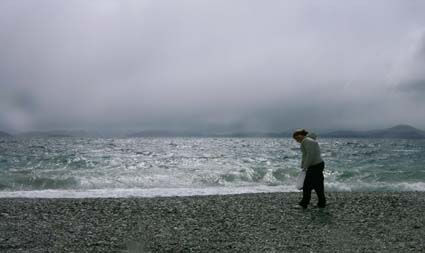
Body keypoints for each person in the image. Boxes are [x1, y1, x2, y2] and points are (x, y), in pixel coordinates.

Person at [293, 129, 326, 209]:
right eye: (296, 139)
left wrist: (305, 166)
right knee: (318, 185)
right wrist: (304, 165)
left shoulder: (307, 141)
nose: (297, 140)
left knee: (307, 185)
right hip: (318, 164)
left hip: (314, 165)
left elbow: (309, 155)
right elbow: (307, 155)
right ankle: (321, 203)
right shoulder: (310, 140)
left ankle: (303, 204)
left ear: (301, 135)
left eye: (297, 138)